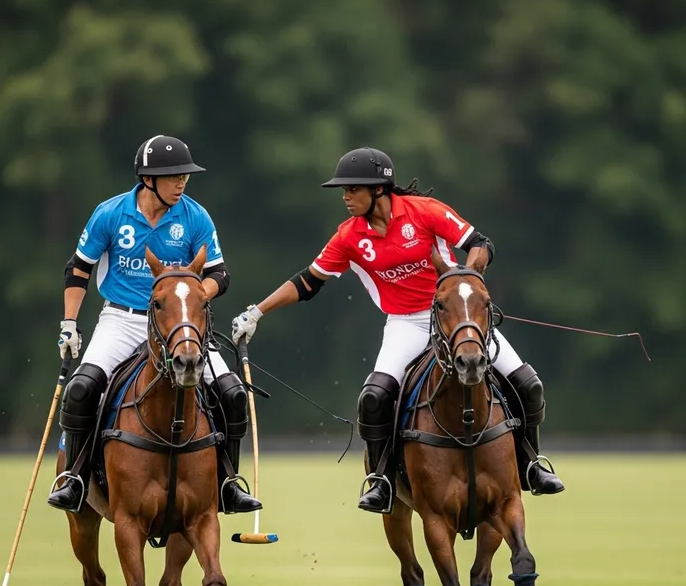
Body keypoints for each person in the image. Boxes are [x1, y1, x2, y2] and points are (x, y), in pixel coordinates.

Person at [231, 147, 564, 514]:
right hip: (405, 324)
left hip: (455, 318)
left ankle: (531, 463)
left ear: (378, 189)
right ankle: (383, 479)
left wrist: (464, 279)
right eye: (343, 191)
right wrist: (257, 311)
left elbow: (480, 244)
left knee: (528, 384)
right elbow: (308, 282)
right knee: (374, 398)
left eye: (352, 189)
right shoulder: (348, 236)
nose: (345, 197)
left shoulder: (425, 212)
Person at [48, 135, 261, 515]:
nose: (182, 183)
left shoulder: (195, 216)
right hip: (121, 319)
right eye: (173, 176)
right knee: (81, 389)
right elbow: (78, 269)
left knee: (231, 394)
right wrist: (69, 323)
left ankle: (228, 482)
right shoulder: (110, 214)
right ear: (148, 179)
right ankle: (76, 478)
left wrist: (193, 298)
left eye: (185, 176)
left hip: (179, 325)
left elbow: (219, 274)